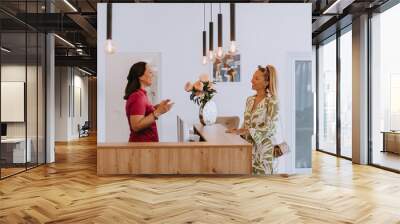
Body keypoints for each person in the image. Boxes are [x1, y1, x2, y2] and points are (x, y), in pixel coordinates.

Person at [227, 65, 279, 175]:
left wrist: (247, 131)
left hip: (264, 152)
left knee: (263, 186)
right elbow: (246, 123)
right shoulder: (249, 100)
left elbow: (271, 128)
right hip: (248, 150)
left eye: (256, 78)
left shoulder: (272, 101)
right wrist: (237, 131)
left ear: (266, 83)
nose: (251, 80)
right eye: (253, 77)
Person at [124, 61, 173, 142]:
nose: (153, 75)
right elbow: (136, 126)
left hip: (145, 147)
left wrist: (157, 107)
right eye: (150, 72)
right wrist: (158, 112)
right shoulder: (137, 96)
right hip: (142, 148)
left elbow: (143, 113)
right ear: (141, 76)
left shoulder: (141, 94)